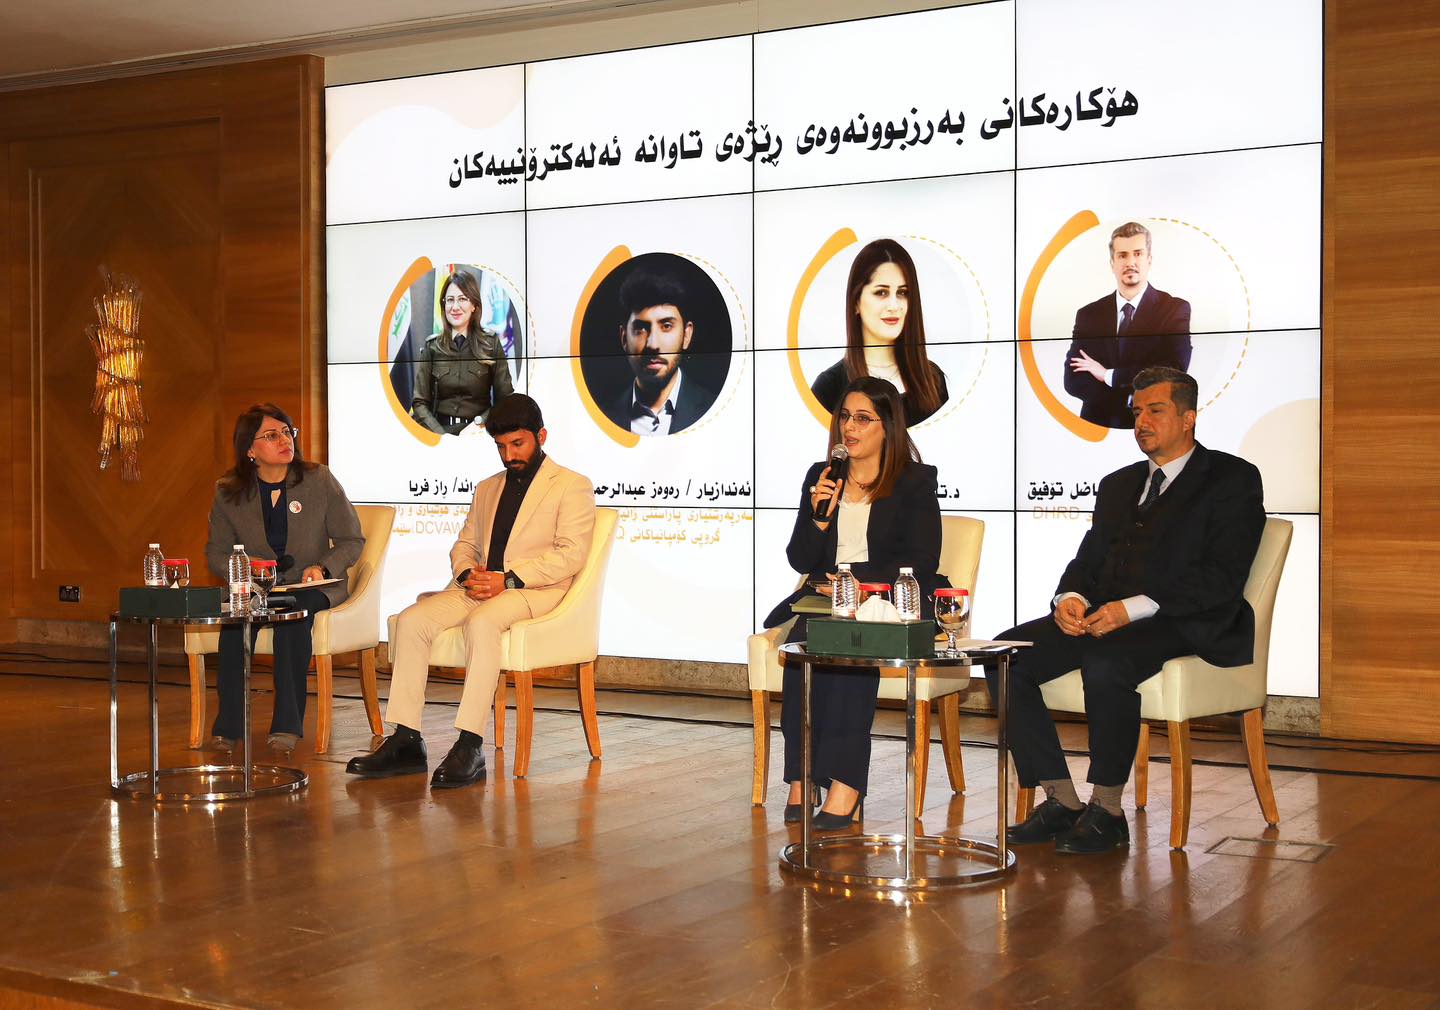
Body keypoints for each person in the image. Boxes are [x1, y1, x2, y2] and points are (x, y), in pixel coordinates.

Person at [992, 367, 1264, 854]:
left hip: (1187, 619)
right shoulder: (1118, 484)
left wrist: (1132, 608)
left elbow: (1221, 576)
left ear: (1188, 418)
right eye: (1137, 412)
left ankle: (1108, 811)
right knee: (1004, 656)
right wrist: (1070, 598)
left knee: (1107, 661)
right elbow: (1088, 558)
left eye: (1155, 411)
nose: (1141, 422)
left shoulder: (1232, 479)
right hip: (1107, 616)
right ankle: (1061, 799)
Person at [348, 394, 596, 789]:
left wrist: (508, 579)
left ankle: (470, 744)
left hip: (535, 592)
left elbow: (571, 555)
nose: (509, 455)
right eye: (501, 446)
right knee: (411, 621)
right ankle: (407, 739)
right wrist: (467, 574)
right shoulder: (487, 488)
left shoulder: (571, 485)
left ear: (541, 436)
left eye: (518, 444)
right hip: (480, 587)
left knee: (482, 623)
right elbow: (464, 545)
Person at [763, 376, 948, 828]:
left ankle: (846, 784)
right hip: (826, 599)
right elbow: (800, 558)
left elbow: (923, 559)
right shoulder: (823, 475)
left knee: (850, 649)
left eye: (863, 419)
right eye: (845, 416)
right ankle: (803, 777)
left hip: (888, 599)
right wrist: (819, 520)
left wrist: (855, 582)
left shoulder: (914, 480)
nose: (849, 427)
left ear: (888, 426)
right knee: (803, 652)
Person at [204, 404, 364, 754]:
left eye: (288, 432)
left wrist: (322, 568)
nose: (284, 440)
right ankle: (228, 726)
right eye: (272, 435)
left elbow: (352, 540)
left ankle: (287, 726)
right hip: (258, 587)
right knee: (235, 625)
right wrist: (244, 567)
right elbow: (216, 553)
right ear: (249, 449)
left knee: (293, 620)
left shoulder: (318, 479)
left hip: (311, 586)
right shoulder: (228, 491)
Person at [1064, 222, 1192, 428]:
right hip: (1096, 429)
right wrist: (1129, 397)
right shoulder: (1089, 314)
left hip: (1153, 428)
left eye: (1138, 254)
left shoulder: (1174, 309)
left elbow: (1174, 369)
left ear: (1149, 260)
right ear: (1112, 263)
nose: (1130, 262)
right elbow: (1073, 380)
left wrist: (1108, 375)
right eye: (1122, 255)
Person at [810, 238, 949, 427]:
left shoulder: (933, 380)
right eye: (881, 293)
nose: (894, 306)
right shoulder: (829, 388)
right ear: (856, 302)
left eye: (903, 293)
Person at [600, 264, 716, 436]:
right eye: (640, 329)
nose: (653, 344)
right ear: (624, 338)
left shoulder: (715, 409)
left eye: (666, 326)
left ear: (686, 335)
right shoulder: (602, 416)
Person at [411, 269, 515, 434]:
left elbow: (505, 400)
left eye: (462, 299)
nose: (455, 307)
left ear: (474, 305)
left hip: (478, 433)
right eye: (450, 300)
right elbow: (419, 403)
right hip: (439, 434)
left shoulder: (490, 344)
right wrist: (441, 436)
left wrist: (479, 424)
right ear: (444, 305)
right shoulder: (432, 347)